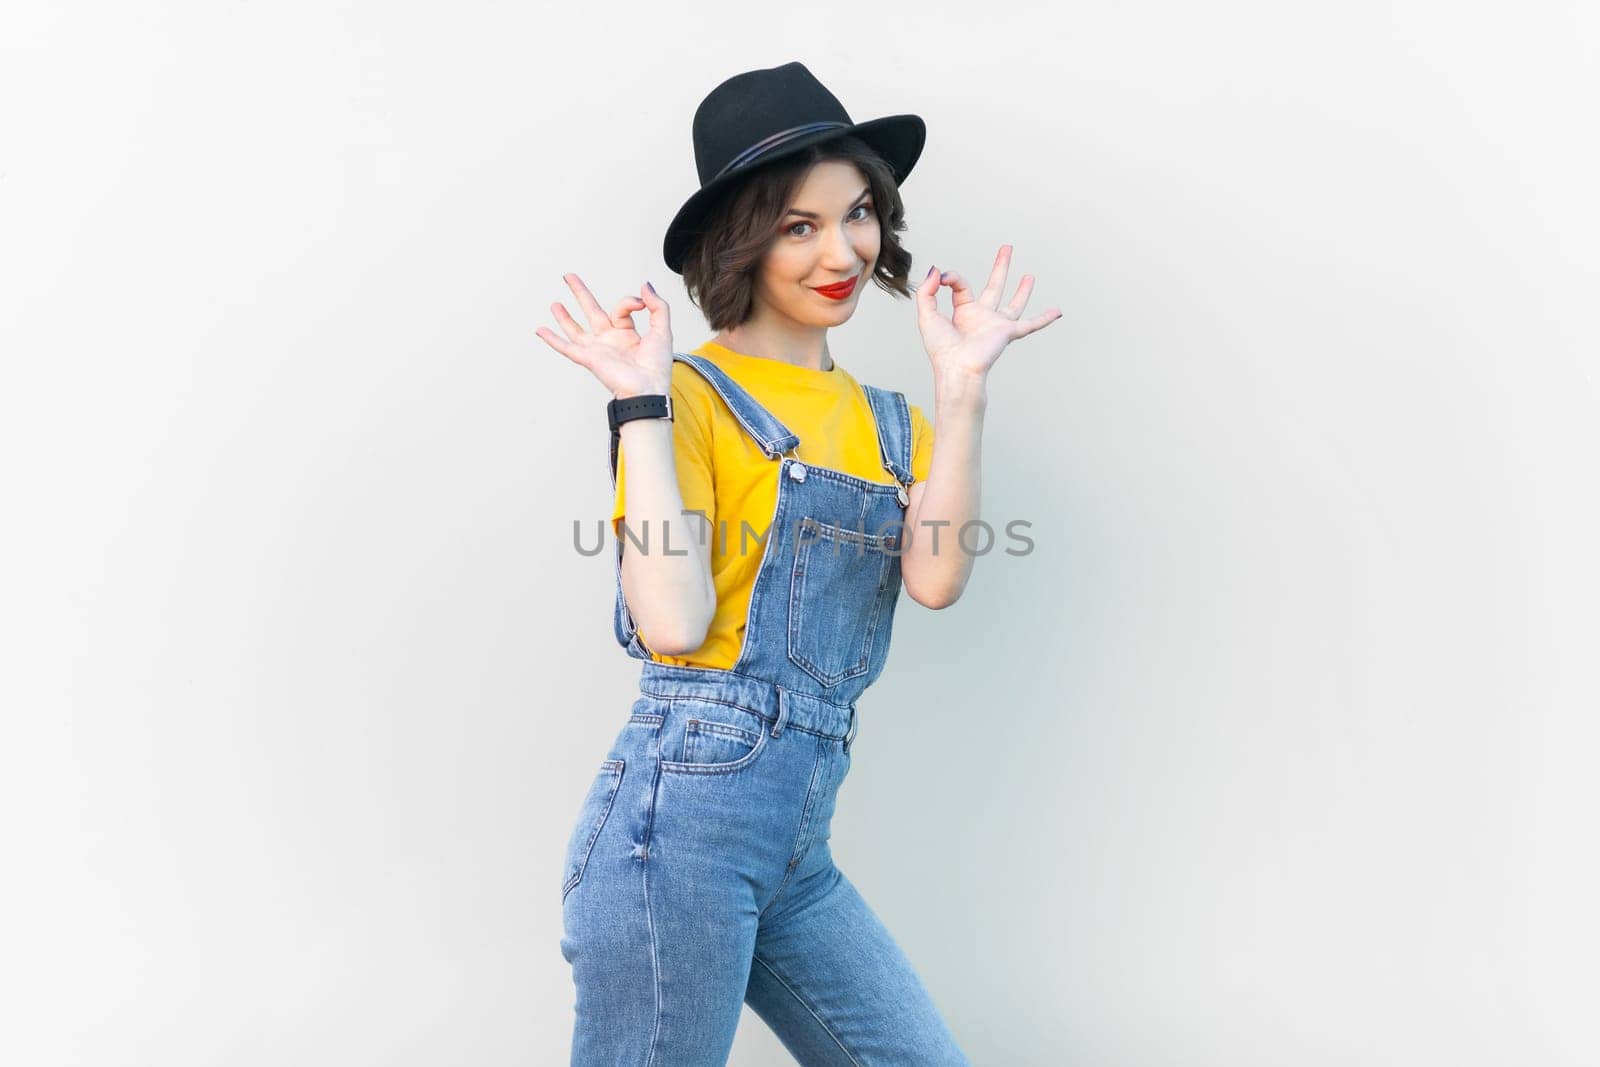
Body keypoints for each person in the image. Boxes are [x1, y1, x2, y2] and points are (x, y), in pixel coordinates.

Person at [536, 61, 1060, 1065]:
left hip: (794, 844)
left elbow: (937, 579)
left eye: (857, 212)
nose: (842, 249)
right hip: (676, 827)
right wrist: (637, 407)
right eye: (798, 225)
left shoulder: (888, 422)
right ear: (742, 240)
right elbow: (674, 626)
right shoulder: (685, 394)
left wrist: (962, 391)